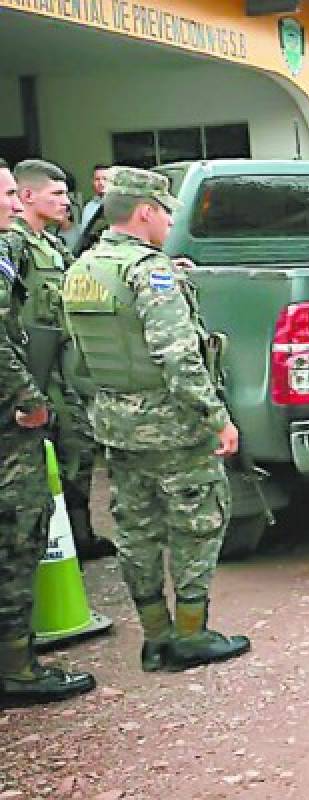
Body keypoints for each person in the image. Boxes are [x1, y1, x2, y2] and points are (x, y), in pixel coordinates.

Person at [60, 167, 251, 673]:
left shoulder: (82, 269)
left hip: (116, 424)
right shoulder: (151, 273)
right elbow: (179, 359)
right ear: (145, 211)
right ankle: (191, 636)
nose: (169, 221)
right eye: (165, 211)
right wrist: (217, 418)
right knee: (197, 522)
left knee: (136, 530)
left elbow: (77, 355)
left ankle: (155, 638)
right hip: (170, 425)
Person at [0, 157, 97, 706]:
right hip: (11, 418)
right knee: (19, 532)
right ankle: (16, 667)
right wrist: (30, 401)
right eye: (10, 194)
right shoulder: (5, 252)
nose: (15, 205)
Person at [4, 159, 100, 556]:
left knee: (78, 446)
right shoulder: (14, 244)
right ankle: (52, 546)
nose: (66, 202)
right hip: (28, 370)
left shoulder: (52, 244)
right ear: (28, 196)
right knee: (47, 456)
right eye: (56, 194)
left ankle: (79, 538)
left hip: (60, 366)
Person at [65, 164, 109, 255]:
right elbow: (84, 234)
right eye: (97, 179)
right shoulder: (89, 206)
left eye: (105, 179)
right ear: (92, 182)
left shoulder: (120, 205)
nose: (101, 183)